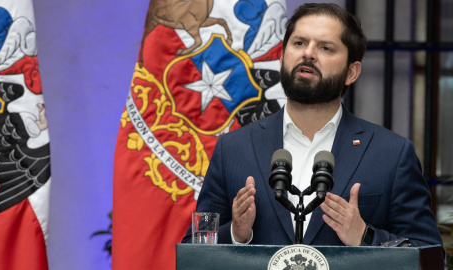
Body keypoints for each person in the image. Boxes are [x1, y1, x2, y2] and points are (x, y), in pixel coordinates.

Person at [182, 3, 443, 250]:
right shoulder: (233, 148)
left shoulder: (391, 154)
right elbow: (194, 248)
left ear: (351, 72)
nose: (308, 53)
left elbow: (428, 254)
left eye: (326, 48)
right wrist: (236, 234)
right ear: (283, 56)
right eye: (299, 43)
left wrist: (364, 236)